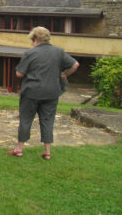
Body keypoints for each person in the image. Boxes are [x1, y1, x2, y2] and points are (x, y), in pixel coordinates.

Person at [8, 26, 79, 160]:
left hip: (31, 92)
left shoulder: (30, 53)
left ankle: (19, 149)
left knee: (26, 119)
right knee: (48, 120)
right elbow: (75, 65)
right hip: (52, 92)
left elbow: (19, 73)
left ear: (34, 38)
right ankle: (47, 152)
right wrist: (64, 74)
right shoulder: (59, 52)